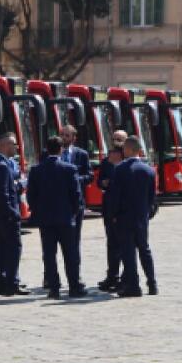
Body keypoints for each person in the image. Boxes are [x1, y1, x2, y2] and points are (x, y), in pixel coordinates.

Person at [27, 136, 87, 300]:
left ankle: (54, 288)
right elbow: (76, 195)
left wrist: (38, 211)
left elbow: (31, 196)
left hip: (46, 220)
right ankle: (74, 286)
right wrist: (73, 213)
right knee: (70, 254)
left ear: (47, 148)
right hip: (66, 218)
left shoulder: (36, 170)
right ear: (61, 149)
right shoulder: (69, 169)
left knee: (49, 254)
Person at [110, 135, 158, 297]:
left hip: (124, 217)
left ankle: (133, 286)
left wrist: (113, 214)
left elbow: (115, 196)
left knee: (128, 252)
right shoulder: (149, 170)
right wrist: (147, 214)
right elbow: (152, 198)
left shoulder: (120, 169)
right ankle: (152, 283)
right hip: (141, 217)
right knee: (145, 249)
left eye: (124, 149)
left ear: (129, 150)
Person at [0, 133, 27, 295]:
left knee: (2, 249)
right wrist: (12, 213)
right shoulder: (2, 166)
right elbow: (3, 194)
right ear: (4, 146)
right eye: (13, 145)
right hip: (7, 215)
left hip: (0, 214)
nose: (16, 148)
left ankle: (1, 283)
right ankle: (12, 283)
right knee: (13, 249)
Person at [97, 129, 128, 292]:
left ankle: (125, 277)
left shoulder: (128, 162)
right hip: (109, 207)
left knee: (125, 244)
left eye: (120, 139)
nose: (116, 142)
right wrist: (104, 183)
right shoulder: (106, 161)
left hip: (123, 210)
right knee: (111, 244)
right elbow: (99, 181)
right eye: (114, 139)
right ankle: (112, 276)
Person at [59, 124, 93, 262]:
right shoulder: (52, 152)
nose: (64, 138)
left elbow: (89, 176)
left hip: (76, 204)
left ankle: (75, 272)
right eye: (62, 135)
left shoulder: (82, 154)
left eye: (67, 135)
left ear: (73, 138)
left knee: (74, 239)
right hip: (57, 204)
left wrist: (76, 180)